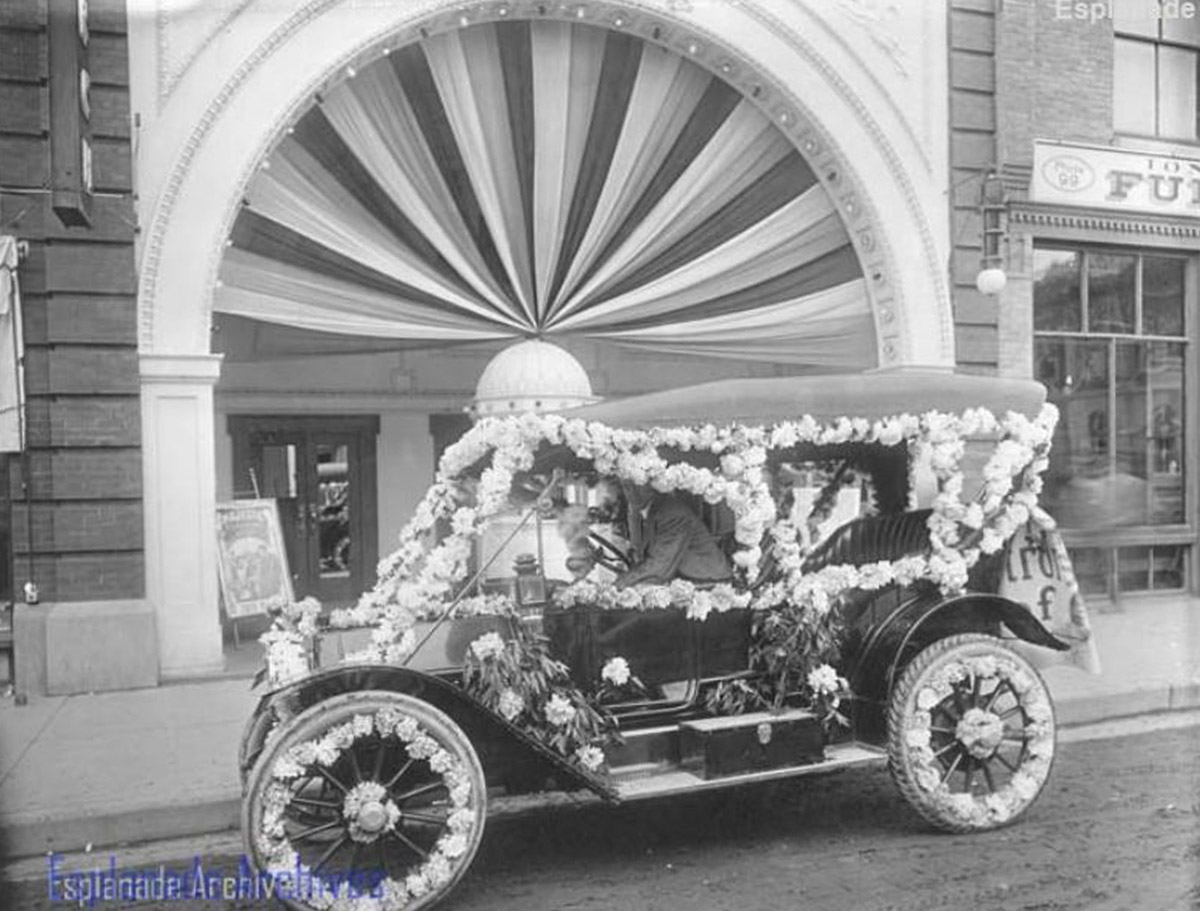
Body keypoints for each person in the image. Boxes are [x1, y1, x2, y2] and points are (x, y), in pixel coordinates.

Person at [615, 483, 732, 588]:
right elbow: (638, 549)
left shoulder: (671, 512)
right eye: (626, 487)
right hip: (681, 576)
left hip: (709, 580)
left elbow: (660, 565)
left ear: (651, 485)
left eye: (637, 485)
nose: (631, 492)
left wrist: (625, 580)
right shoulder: (640, 508)